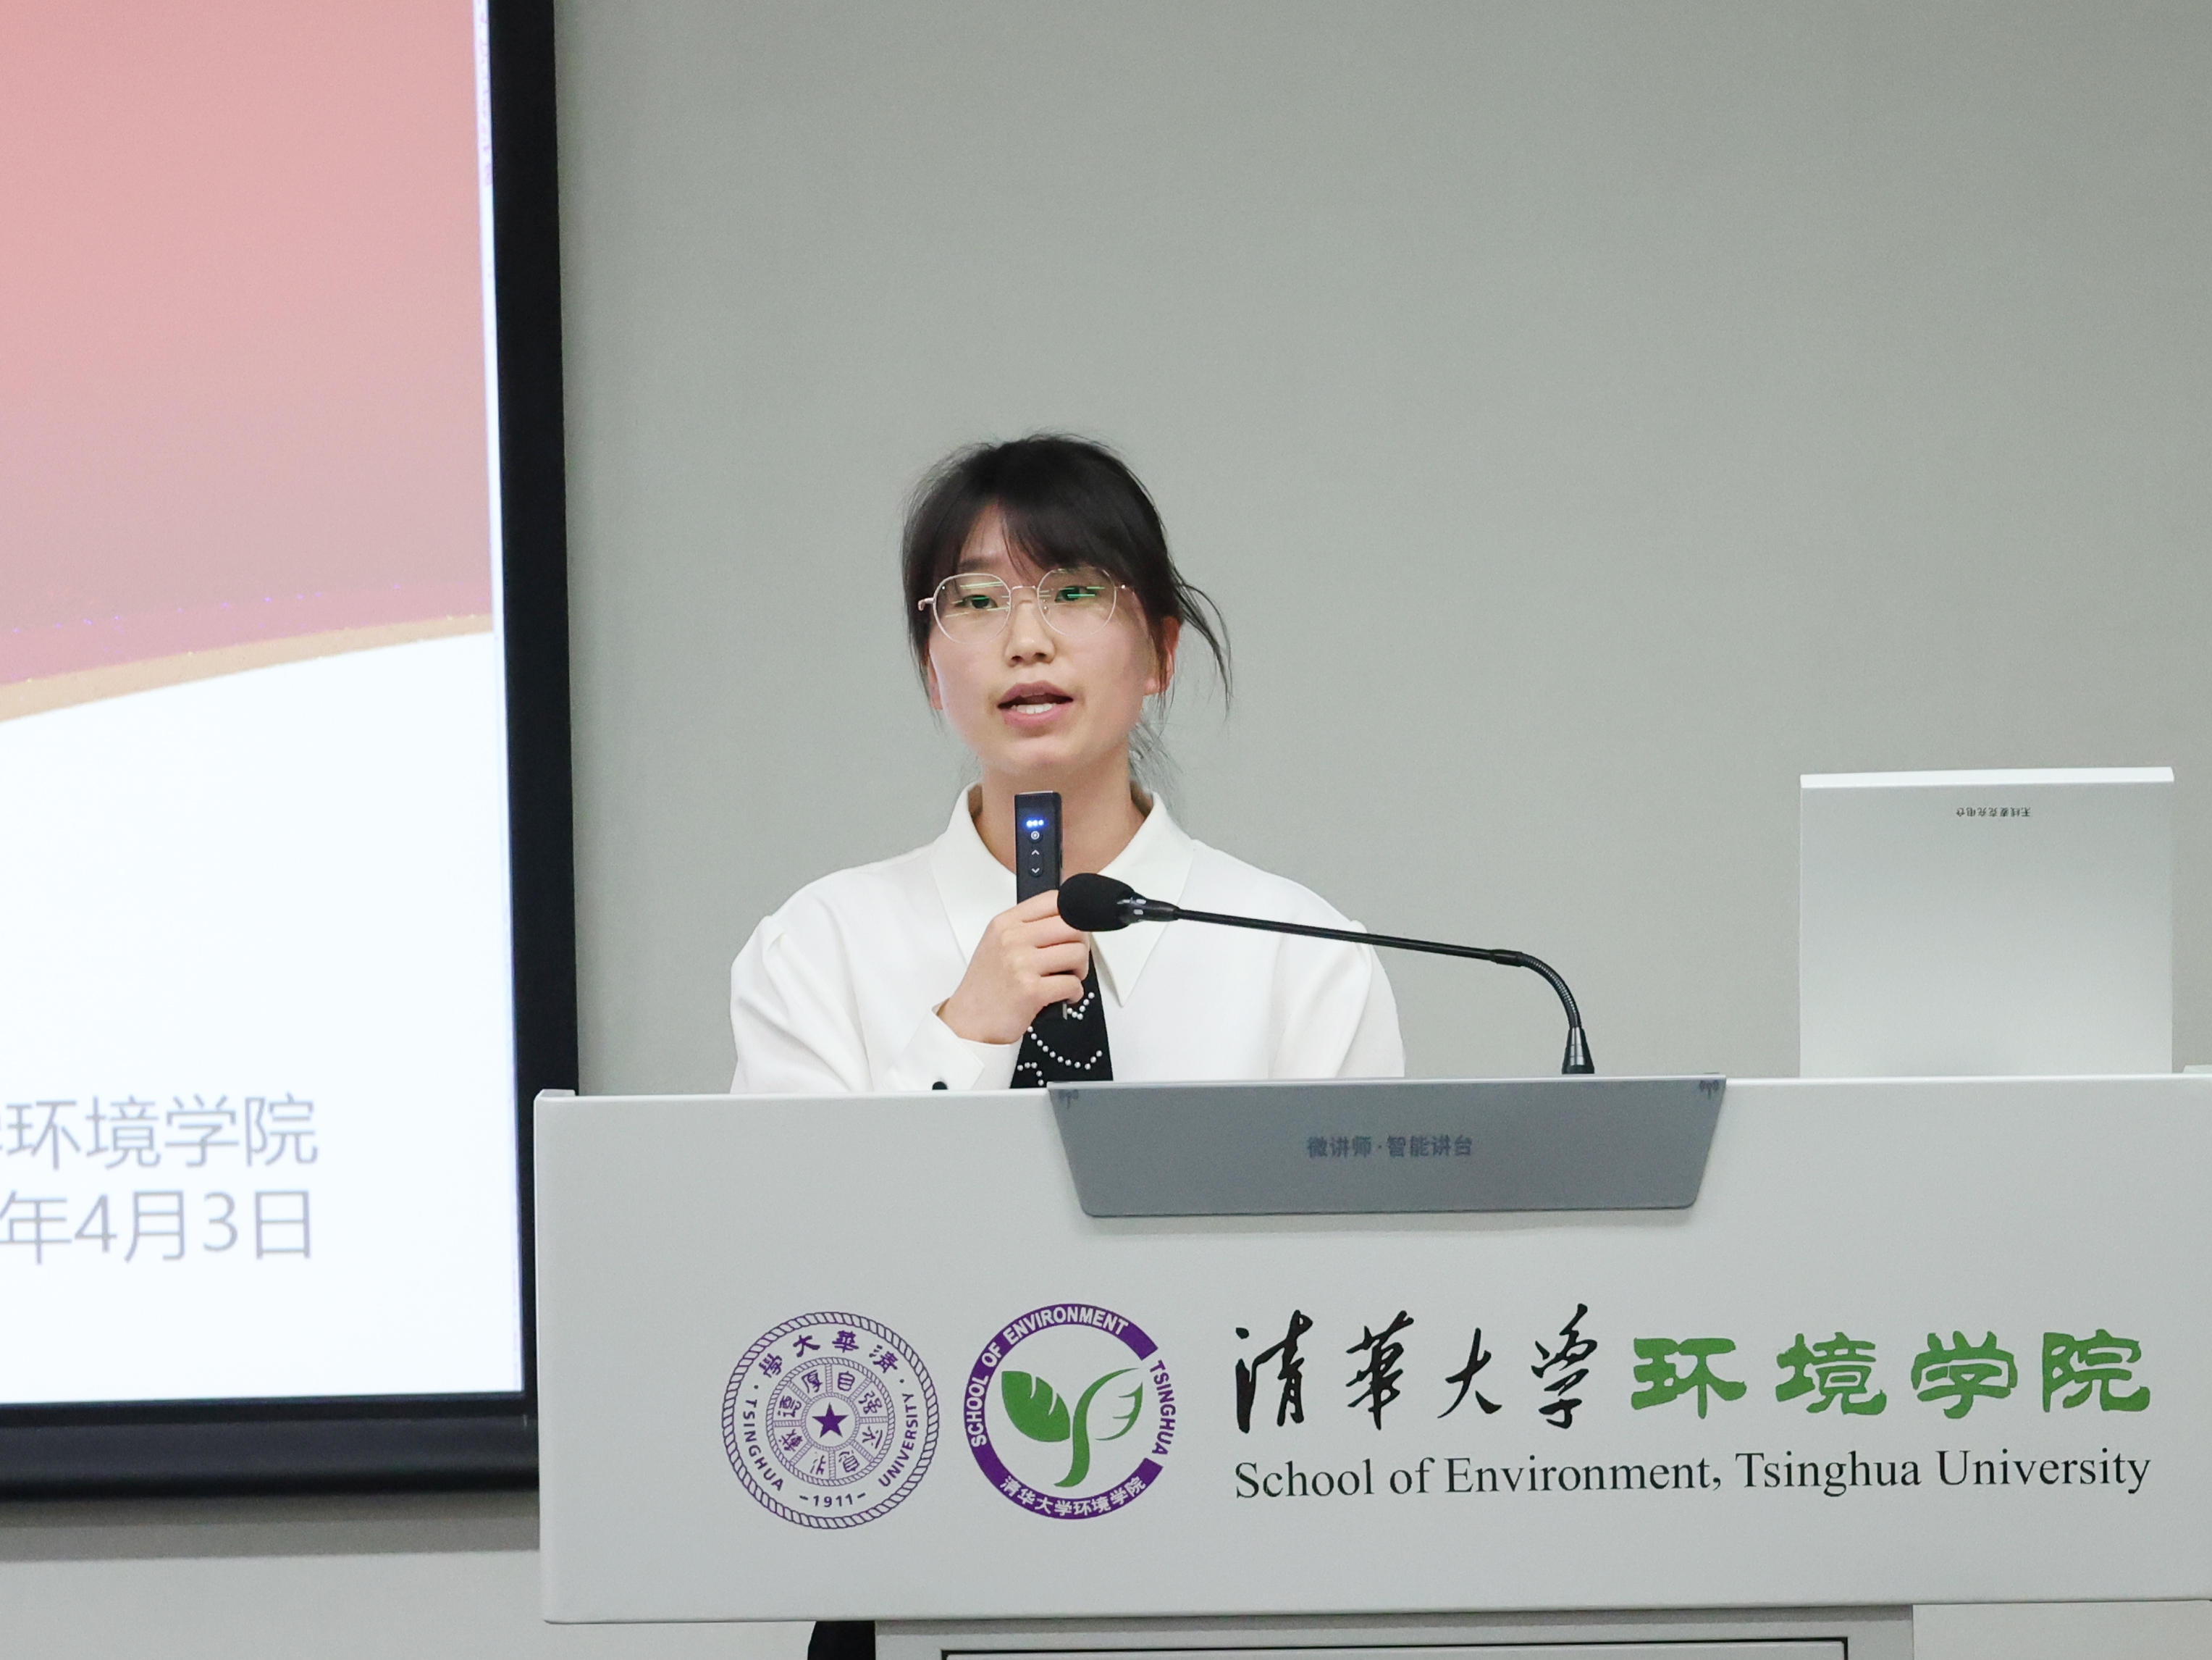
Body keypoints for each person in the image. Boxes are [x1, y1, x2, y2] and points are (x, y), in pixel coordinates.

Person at [728, 432, 1402, 1093]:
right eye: (978, 600)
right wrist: (962, 1039)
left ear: (1161, 653)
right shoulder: (816, 953)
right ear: (931, 671)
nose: (1027, 642)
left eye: (1075, 593)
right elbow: (802, 1177)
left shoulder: (1304, 961)